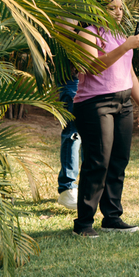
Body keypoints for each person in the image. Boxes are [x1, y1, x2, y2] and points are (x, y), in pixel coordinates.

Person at [71, 0, 139, 237]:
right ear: (96, 9)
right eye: (111, 8)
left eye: (119, 8)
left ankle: (112, 217)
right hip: (95, 103)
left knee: (118, 160)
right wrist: (126, 46)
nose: (118, 13)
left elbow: (129, 72)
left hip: (124, 102)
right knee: (98, 161)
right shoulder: (87, 32)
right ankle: (83, 223)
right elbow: (93, 66)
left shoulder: (119, 37)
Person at [56, 75, 81, 210]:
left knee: (90, 134)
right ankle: (67, 188)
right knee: (73, 133)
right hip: (72, 77)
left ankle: (87, 188)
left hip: (96, 80)